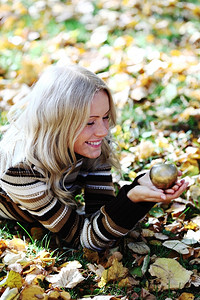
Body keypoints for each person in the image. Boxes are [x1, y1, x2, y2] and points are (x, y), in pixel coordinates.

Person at [0, 65, 188, 251]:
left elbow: (99, 216)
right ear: (57, 121)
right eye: (90, 122)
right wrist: (131, 199)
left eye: (105, 117)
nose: (103, 131)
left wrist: (138, 191)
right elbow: (86, 239)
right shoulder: (20, 171)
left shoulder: (92, 142)